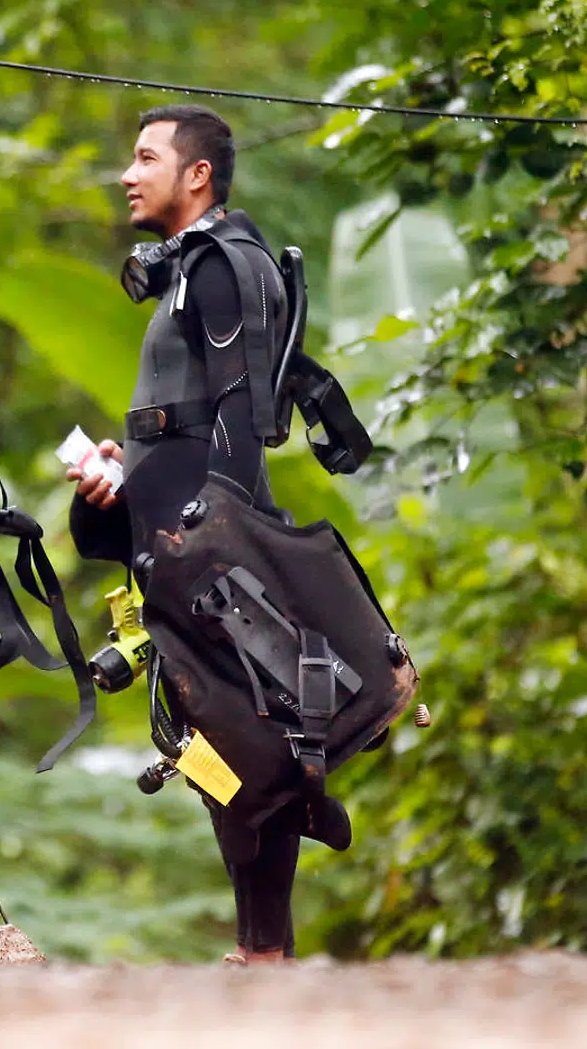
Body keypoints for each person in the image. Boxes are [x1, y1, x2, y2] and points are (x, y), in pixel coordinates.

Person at [67, 105, 350, 964]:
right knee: (217, 735)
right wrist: (131, 468)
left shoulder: (224, 263)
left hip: (209, 542)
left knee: (248, 733)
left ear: (196, 176)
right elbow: (188, 420)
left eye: (145, 156)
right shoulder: (194, 266)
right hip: (182, 528)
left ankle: (266, 948)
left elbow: (241, 415)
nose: (128, 172)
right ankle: (258, 944)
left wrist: (214, 533)